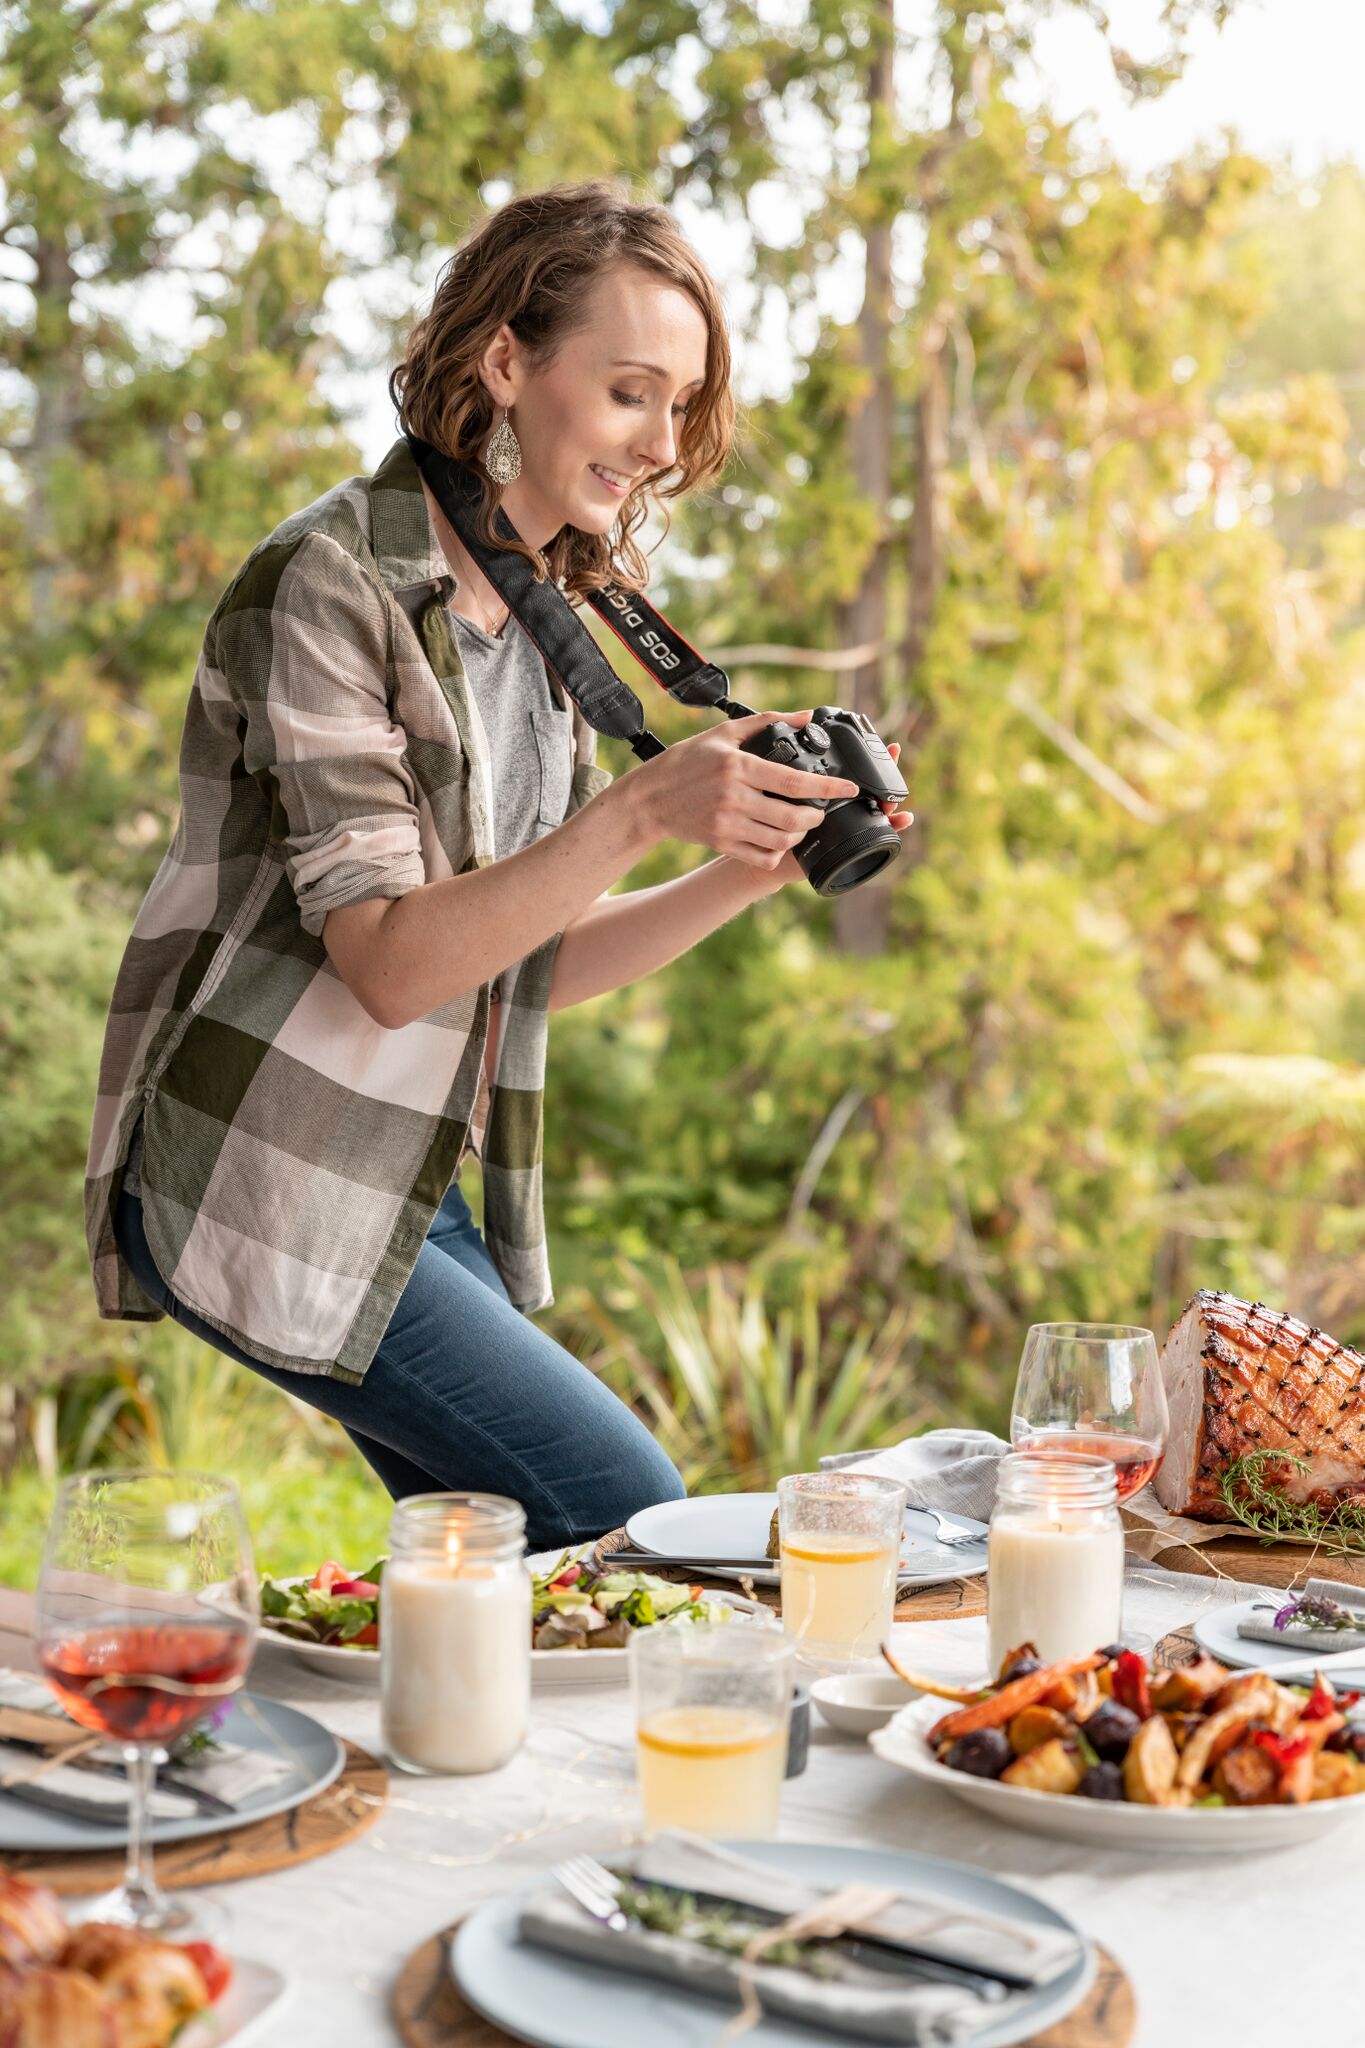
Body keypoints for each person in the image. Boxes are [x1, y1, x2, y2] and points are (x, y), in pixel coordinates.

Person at [84, 182, 913, 1548]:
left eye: (679, 406)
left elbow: (516, 967)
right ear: (507, 363)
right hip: (272, 1167)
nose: (656, 444)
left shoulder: (550, 613)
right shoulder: (331, 583)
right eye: (629, 392)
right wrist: (640, 814)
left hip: (415, 1178)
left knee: (499, 1598)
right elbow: (397, 965)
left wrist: (746, 863)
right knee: (631, 1516)